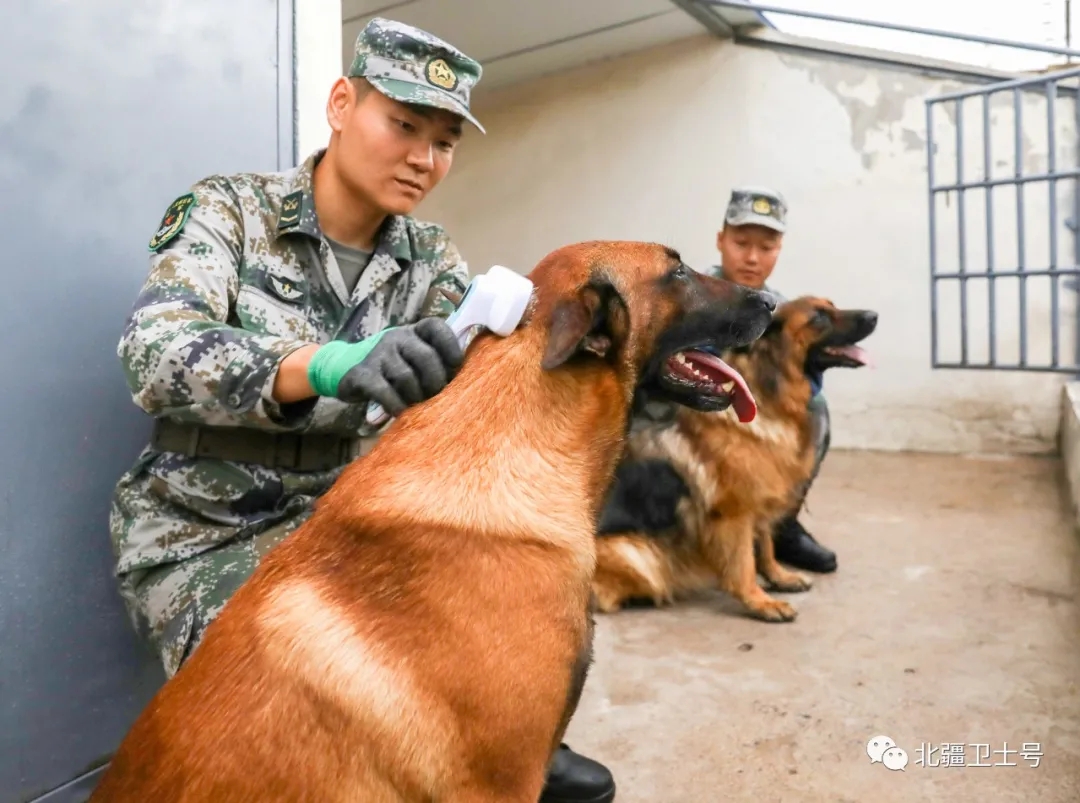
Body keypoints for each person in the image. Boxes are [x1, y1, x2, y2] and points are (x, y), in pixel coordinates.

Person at [108, 18, 616, 803]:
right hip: (202, 530)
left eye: (445, 141)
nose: (423, 158)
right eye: (404, 124)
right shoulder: (228, 212)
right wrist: (328, 365)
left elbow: (469, 410)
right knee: (297, 721)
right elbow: (155, 353)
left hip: (355, 531)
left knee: (482, 707)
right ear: (342, 104)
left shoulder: (435, 262)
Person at [707, 186, 838, 574]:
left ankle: (779, 524)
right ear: (721, 240)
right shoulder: (695, 294)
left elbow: (804, 375)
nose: (751, 257)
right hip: (695, 417)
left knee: (815, 409)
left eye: (766, 247)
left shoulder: (782, 308)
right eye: (741, 242)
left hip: (756, 420)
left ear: (779, 249)